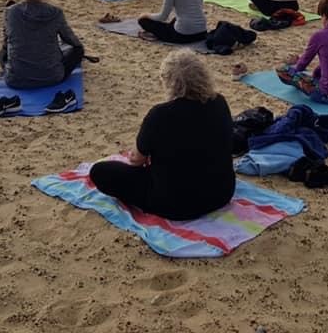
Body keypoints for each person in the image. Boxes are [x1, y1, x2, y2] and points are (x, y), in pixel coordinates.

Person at [88, 49, 235, 219]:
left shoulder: (160, 115)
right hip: (221, 193)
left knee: (100, 171)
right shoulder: (219, 102)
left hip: (175, 204)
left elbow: (136, 160)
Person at [0, 0, 85, 116]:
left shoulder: (10, 12)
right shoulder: (55, 13)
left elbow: (7, 43)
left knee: (4, 52)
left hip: (15, 78)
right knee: (78, 50)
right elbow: (73, 41)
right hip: (51, 76)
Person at [277, 0, 328, 104]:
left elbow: (302, 65)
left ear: (324, 15)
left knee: (282, 70)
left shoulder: (319, 36)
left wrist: (295, 68)